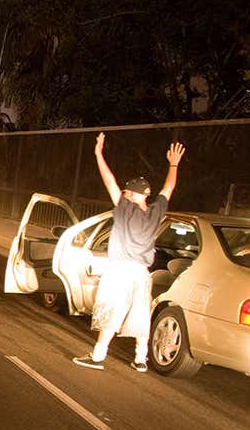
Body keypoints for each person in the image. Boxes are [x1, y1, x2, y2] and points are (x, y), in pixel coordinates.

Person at [73, 133, 185, 372]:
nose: (123, 194)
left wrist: (98, 154)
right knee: (140, 314)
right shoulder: (156, 212)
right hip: (141, 273)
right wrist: (173, 164)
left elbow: (109, 181)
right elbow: (168, 187)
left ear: (133, 195)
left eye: (127, 192)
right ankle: (140, 359)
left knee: (112, 312)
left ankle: (98, 356)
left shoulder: (125, 209)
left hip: (120, 271)